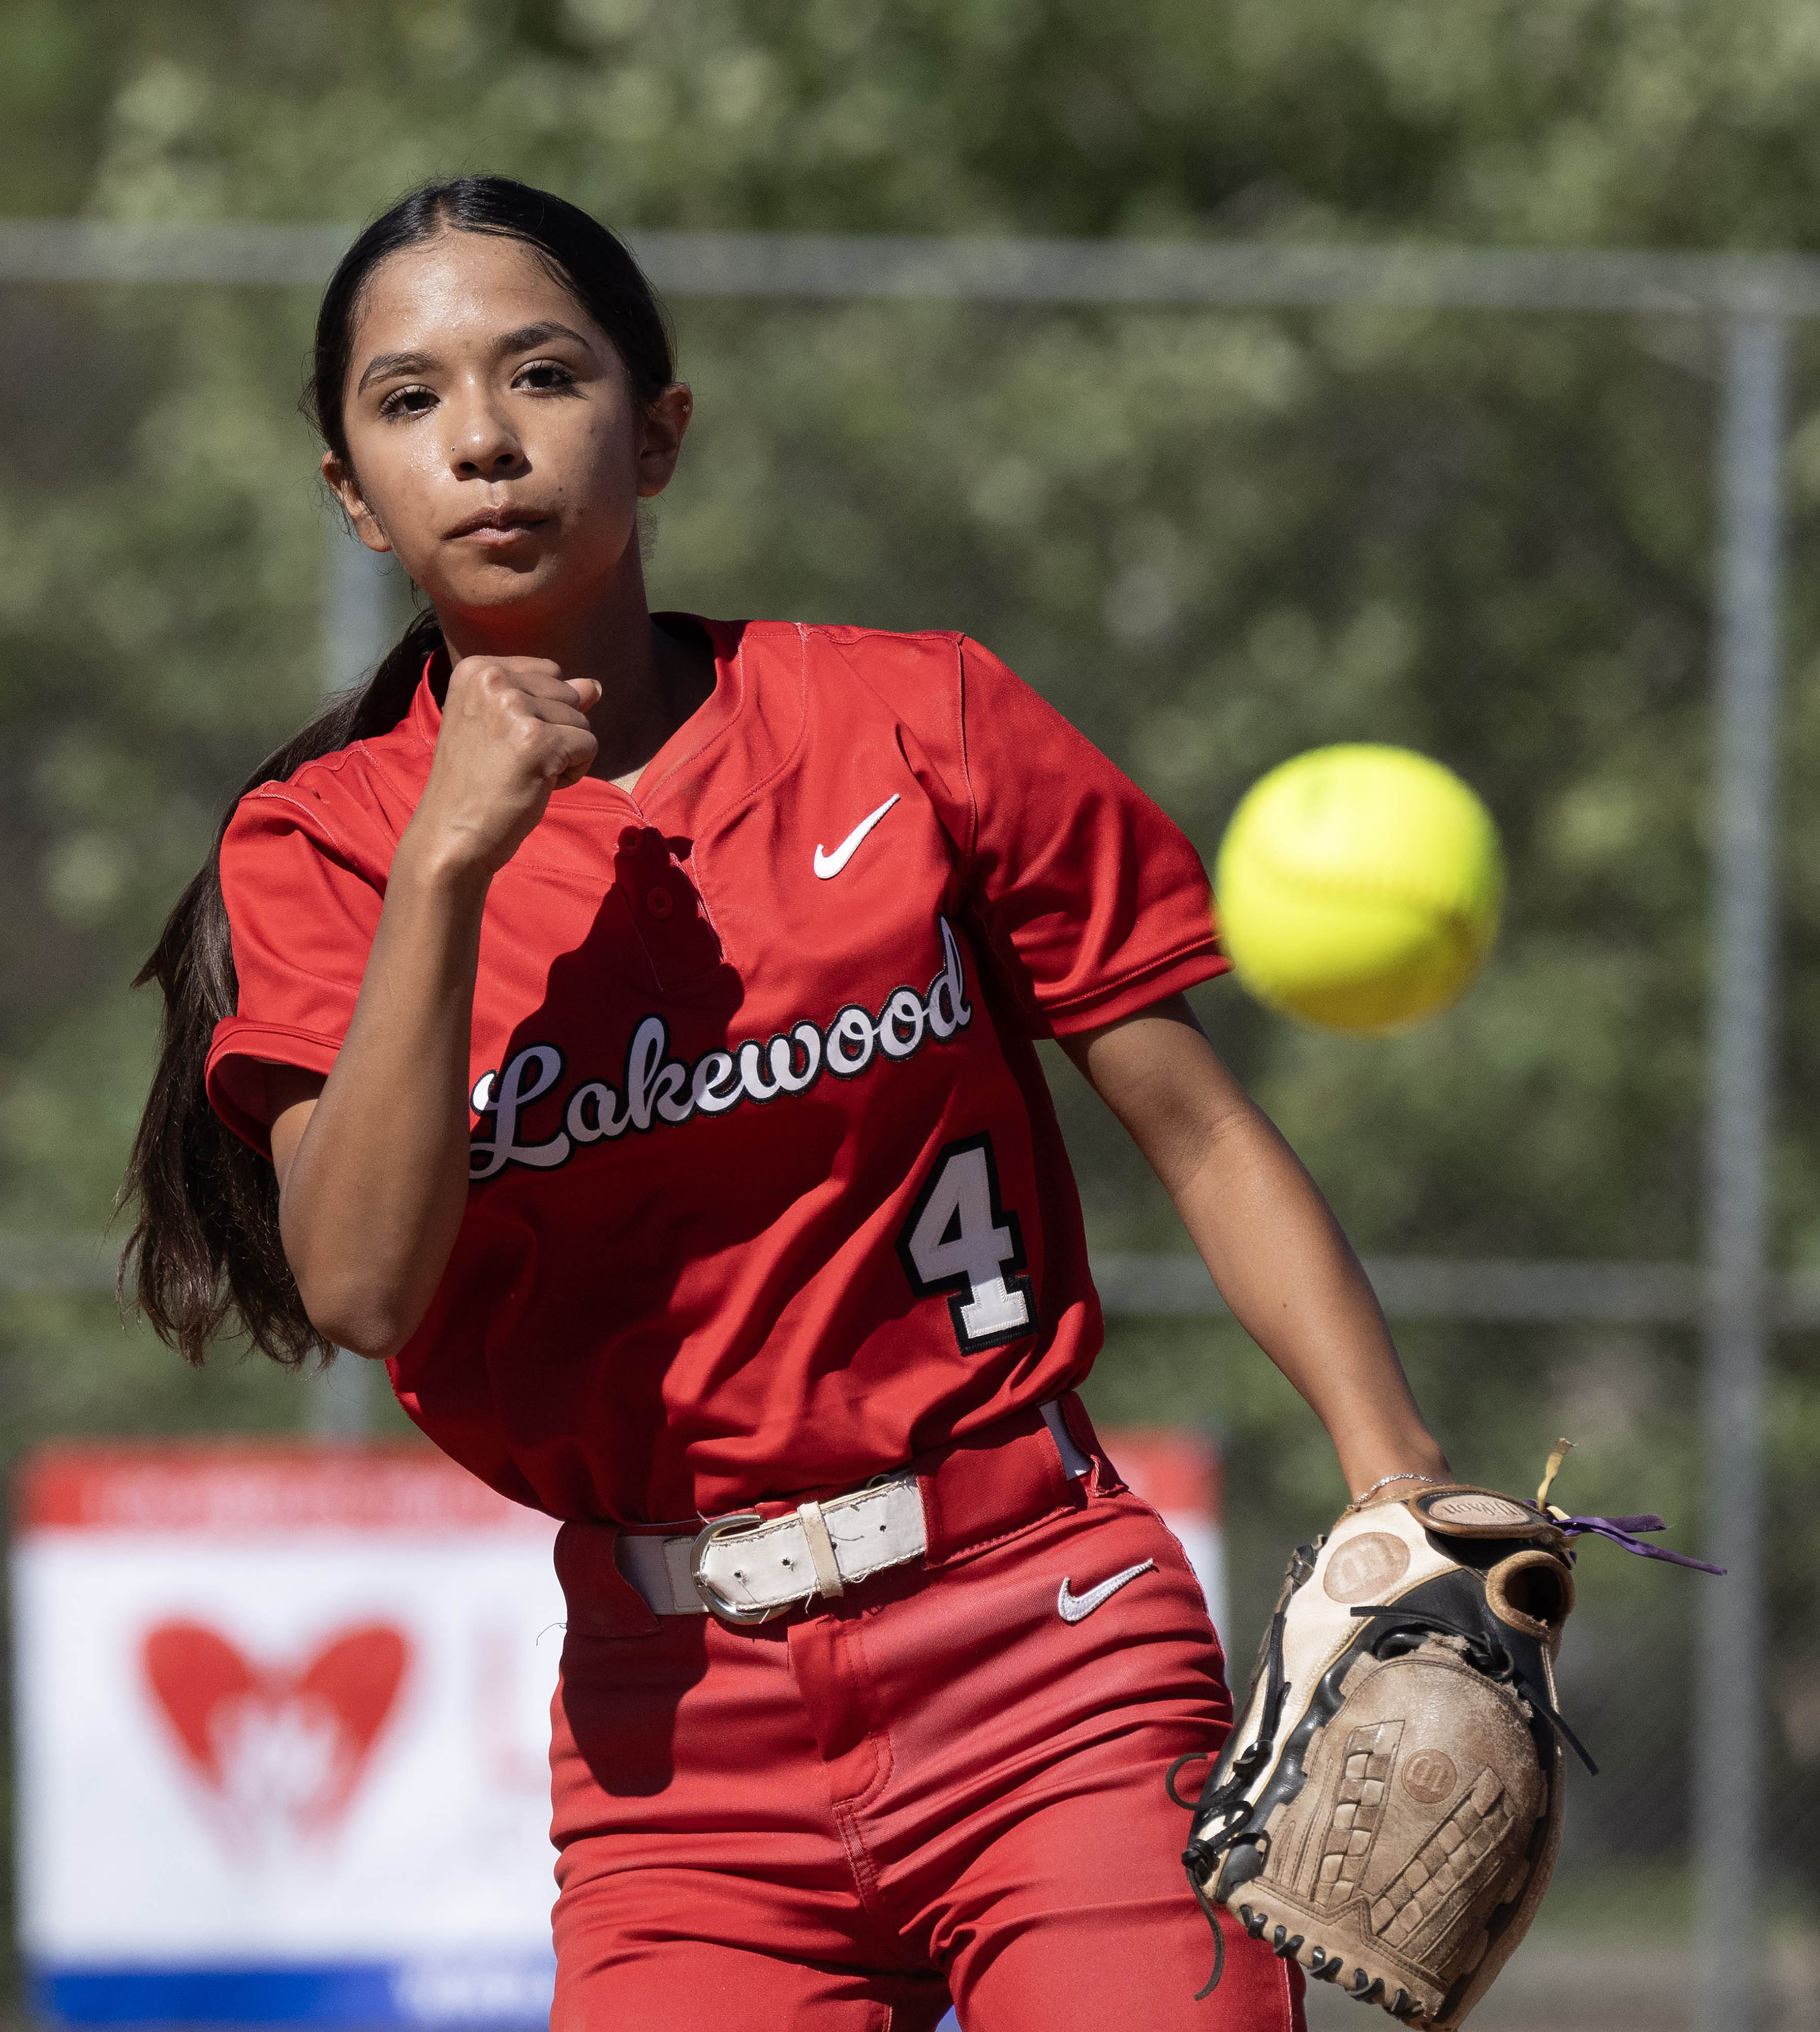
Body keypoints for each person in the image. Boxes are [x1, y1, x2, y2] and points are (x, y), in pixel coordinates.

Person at [124, 174, 1455, 2032]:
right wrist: (448, 868)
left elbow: (1204, 1130)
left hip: (1043, 1639)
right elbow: (356, 1287)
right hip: (680, 1742)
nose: (487, 441)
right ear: (351, 492)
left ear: (658, 432)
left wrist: (1401, 1482)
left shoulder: (920, 721)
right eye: (409, 402)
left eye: (545, 375)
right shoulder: (329, 854)